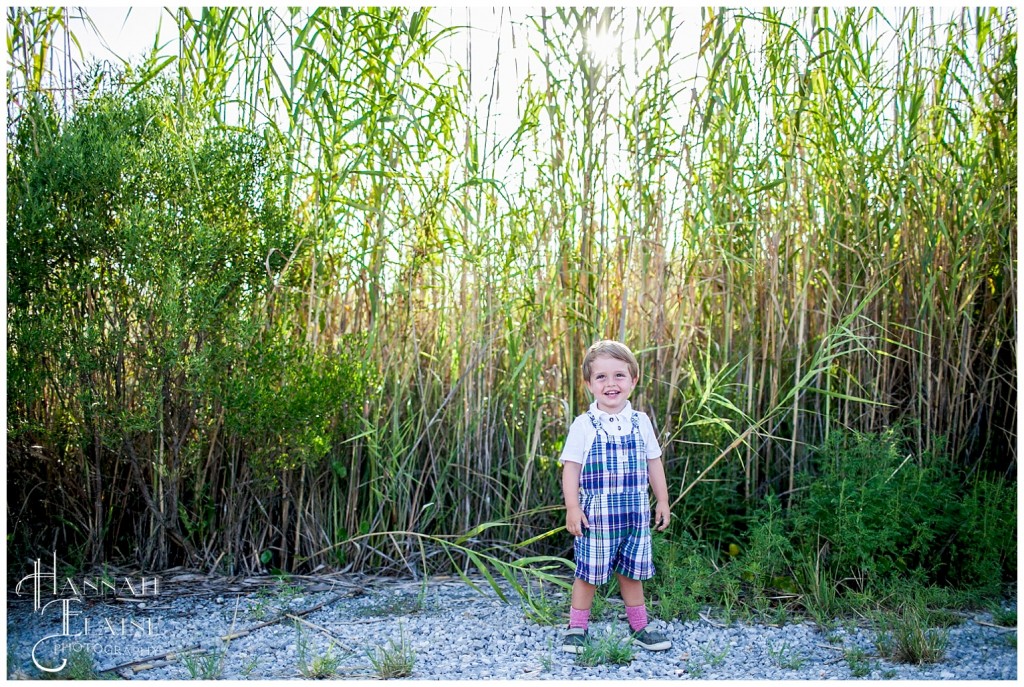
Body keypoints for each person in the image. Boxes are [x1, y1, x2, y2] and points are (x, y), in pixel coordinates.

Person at [559, 339, 673, 653]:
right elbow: (571, 468)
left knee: (632, 572)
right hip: (597, 517)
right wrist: (572, 506)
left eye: (619, 376)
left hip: (636, 515)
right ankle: (576, 628)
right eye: (602, 377)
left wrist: (662, 500)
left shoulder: (641, 422)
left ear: (633, 379)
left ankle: (639, 627)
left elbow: (654, 462)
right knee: (589, 573)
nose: (611, 384)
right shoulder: (584, 425)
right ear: (589, 384)